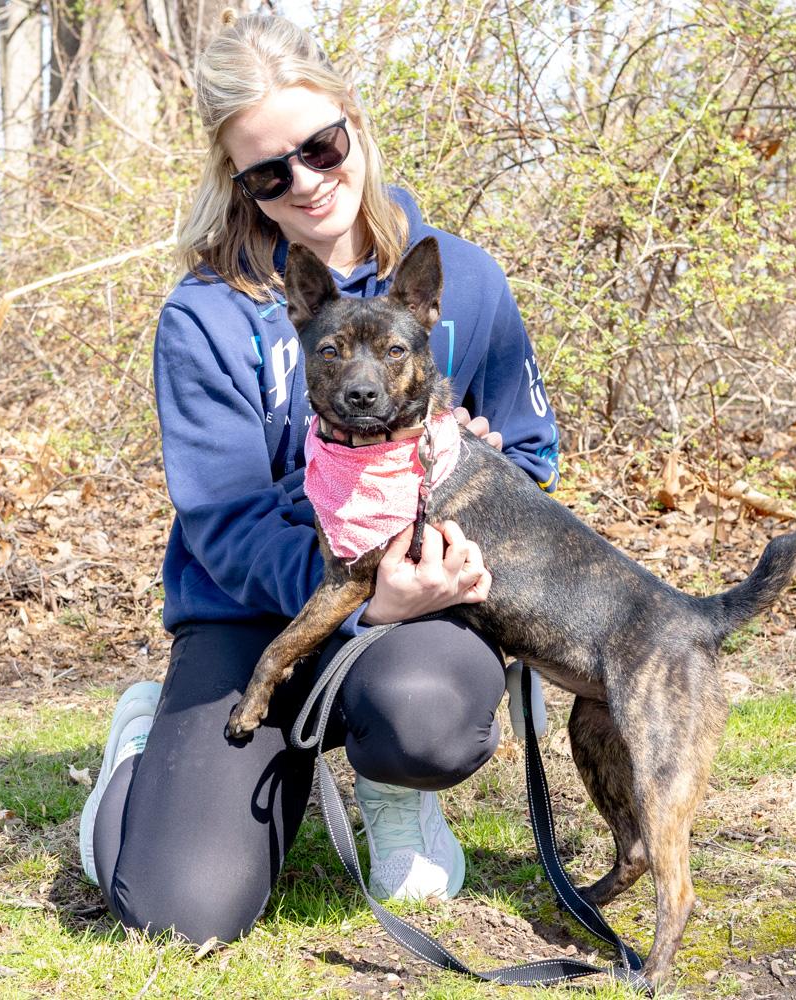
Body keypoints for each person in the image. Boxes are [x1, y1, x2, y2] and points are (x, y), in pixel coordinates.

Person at [78, 9, 558, 946]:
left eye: (321, 146)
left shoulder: (458, 277)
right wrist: (357, 591)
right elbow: (223, 526)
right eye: (269, 171)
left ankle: (396, 794)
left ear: (353, 125)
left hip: (423, 612)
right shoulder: (206, 318)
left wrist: (483, 471)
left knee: (429, 718)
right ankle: (148, 748)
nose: (306, 180)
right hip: (256, 614)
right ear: (241, 184)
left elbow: (534, 457)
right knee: (181, 913)